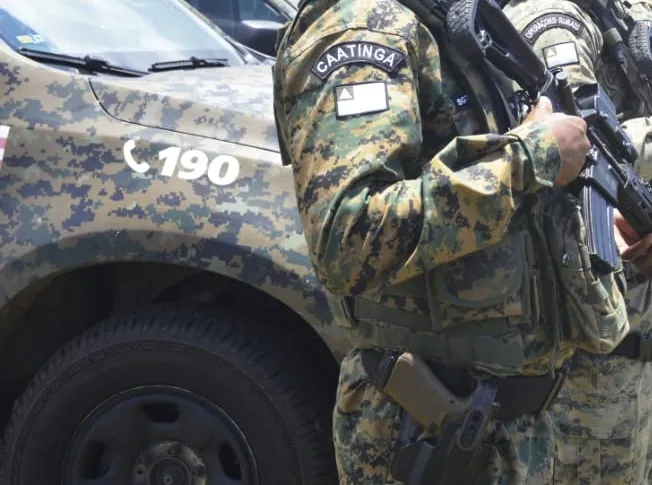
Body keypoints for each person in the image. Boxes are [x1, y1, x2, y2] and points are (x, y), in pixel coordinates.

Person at [272, 0, 636, 483]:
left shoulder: (449, 21)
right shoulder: (364, 30)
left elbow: (498, 212)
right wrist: (534, 156)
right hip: (431, 429)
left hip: (512, 426)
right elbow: (349, 236)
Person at [502, 0, 652, 482]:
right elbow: (584, 143)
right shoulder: (552, 17)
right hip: (588, 365)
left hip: (629, 344)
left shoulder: (618, 12)